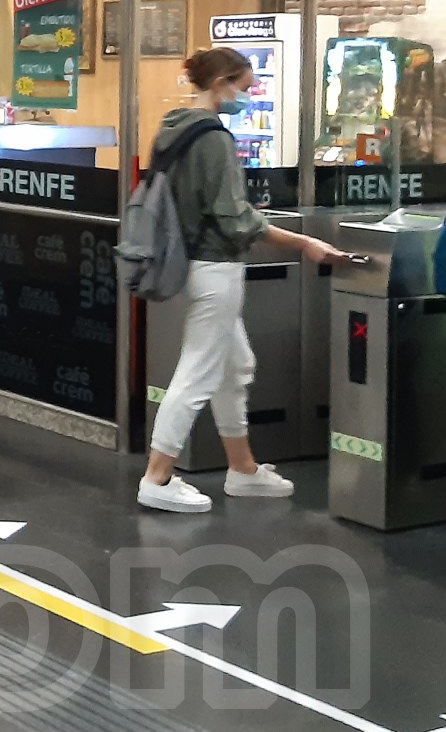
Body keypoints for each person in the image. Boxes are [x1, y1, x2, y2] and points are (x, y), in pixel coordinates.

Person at [139, 47, 349, 513]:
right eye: (246, 87)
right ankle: (157, 476)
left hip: (188, 262)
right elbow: (234, 218)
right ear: (222, 84)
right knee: (198, 372)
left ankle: (243, 468)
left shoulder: (174, 128)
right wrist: (304, 242)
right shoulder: (213, 137)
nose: (248, 96)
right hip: (216, 266)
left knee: (236, 365)